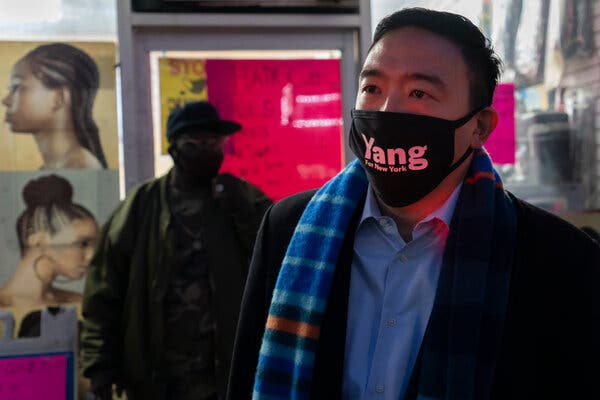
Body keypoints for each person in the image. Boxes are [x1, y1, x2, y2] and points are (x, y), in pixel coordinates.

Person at [227, 8, 600, 400]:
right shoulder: (287, 230)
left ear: (480, 127)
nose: (387, 111)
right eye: (372, 88)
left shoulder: (562, 261)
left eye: (419, 93)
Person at [81, 101, 272, 400]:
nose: (209, 151)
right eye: (196, 144)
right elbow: (104, 293)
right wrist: (100, 368)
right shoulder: (142, 207)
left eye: (215, 142)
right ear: (175, 150)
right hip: (158, 379)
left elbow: (278, 263)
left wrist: (244, 212)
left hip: (229, 376)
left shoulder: (242, 198)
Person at [2, 42, 108, 169]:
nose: (5, 101)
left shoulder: (82, 167)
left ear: (58, 98)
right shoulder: (51, 168)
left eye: (16, 87)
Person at [0, 174, 98, 307]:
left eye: (94, 245)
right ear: (39, 242)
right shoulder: (4, 306)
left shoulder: (77, 302)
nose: (92, 255)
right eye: (82, 244)